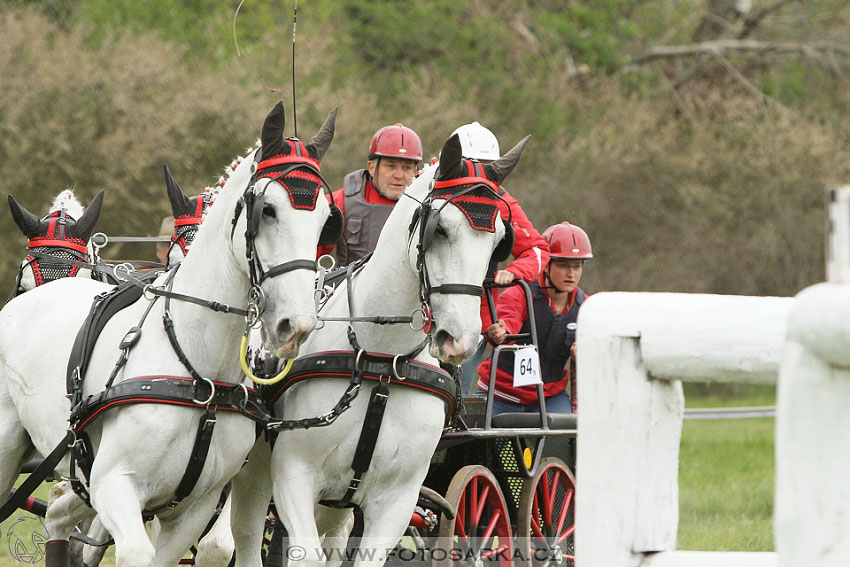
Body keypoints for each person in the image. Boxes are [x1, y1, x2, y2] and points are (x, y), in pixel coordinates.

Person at [454, 122, 550, 394]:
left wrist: (515, 271)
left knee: (454, 399)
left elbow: (539, 250)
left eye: (485, 165)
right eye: (471, 164)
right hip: (422, 314)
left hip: (473, 322)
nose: (477, 173)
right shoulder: (426, 190)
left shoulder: (503, 202)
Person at [476, 221, 593, 415]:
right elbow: (507, 322)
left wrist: (587, 354)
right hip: (501, 395)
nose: (571, 274)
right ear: (546, 266)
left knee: (562, 440)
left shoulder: (587, 307)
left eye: (577, 266)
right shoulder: (519, 294)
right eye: (563, 266)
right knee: (501, 446)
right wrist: (501, 332)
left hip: (549, 397)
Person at [317, 123, 423, 265]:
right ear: (372, 168)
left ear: (416, 171)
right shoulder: (339, 203)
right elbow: (305, 255)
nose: (399, 175)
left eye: (407, 168)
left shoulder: (427, 204)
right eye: (390, 166)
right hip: (351, 286)